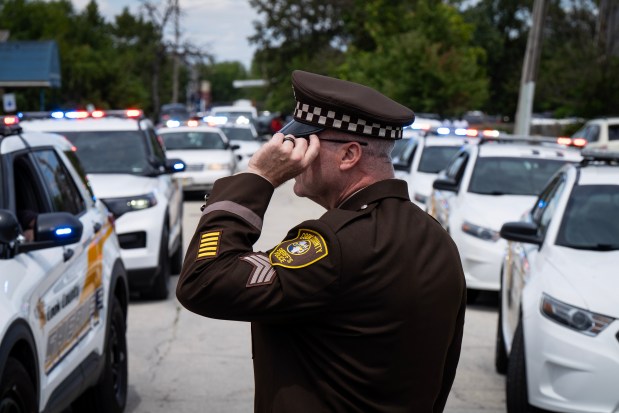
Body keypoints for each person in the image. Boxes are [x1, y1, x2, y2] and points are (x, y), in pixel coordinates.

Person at [177, 70, 466, 412]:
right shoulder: (435, 237)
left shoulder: (332, 243)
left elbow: (202, 281)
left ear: (349, 155)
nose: (293, 152)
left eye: (305, 141)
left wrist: (257, 178)